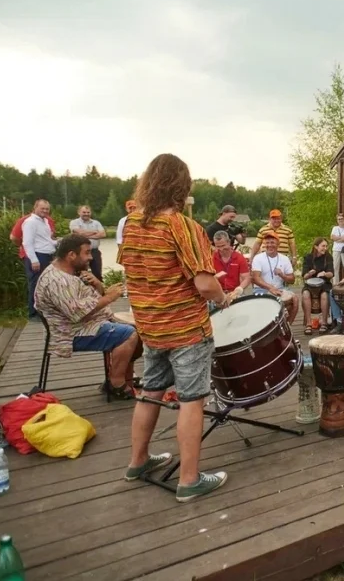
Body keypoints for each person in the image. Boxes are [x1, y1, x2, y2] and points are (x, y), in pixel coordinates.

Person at [118, 153, 230, 502]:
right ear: (181, 187)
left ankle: (138, 462)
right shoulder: (183, 227)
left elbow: (134, 274)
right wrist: (223, 298)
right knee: (191, 400)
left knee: (150, 391)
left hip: (151, 328)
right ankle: (189, 480)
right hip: (186, 331)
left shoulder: (131, 224)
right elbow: (205, 285)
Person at [34, 234, 140, 399]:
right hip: (70, 334)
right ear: (71, 255)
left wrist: (97, 284)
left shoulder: (71, 272)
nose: (91, 257)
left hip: (86, 324)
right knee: (129, 334)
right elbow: (77, 313)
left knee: (135, 330)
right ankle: (116, 383)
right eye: (87, 252)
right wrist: (109, 297)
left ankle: (125, 378)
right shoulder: (57, 281)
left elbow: (90, 299)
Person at [10, 201, 56, 319]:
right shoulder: (30, 222)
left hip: (47, 255)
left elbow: (47, 240)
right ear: (35, 208)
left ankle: (44, 311)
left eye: (47, 209)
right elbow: (27, 243)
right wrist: (34, 260)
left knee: (45, 284)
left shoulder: (45, 221)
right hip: (37, 256)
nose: (45, 211)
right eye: (42, 208)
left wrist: (59, 242)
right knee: (35, 285)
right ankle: (34, 314)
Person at [251, 233, 298, 323]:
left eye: (272, 242)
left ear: (278, 244)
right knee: (274, 301)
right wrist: (270, 288)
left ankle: (288, 326)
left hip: (280, 288)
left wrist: (282, 275)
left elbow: (292, 280)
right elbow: (256, 278)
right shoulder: (258, 258)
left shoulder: (285, 259)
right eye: (267, 243)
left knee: (295, 299)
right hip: (262, 289)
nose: (269, 245)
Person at [301, 237, 335, 334]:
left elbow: (331, 274)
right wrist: (310, 273)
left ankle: (324, 323)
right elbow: (304, 276)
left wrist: (325, 273)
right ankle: (308, 324)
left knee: (324, 295)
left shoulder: (328, 257)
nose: (325, 248)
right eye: (323, 246)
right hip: (310, 284)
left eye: (326, 246)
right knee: (305, 294)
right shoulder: (308, 257)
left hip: (324, 283)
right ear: (316, 247)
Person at [69, 205, 106, 281]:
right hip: (79, 252)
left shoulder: (96, 223)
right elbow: (79, 232)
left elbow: (103, 234)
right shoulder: (74, 222)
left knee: (97, 273)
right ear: (79, 212)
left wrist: (84, 235)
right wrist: (95, 232)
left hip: (94, 252)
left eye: (88, 212)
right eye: (84, 212)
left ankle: (98, 287)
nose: (86, 214)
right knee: (80, 273)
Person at [211, 230, 251, 300]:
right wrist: (213, 278)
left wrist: (239, 289)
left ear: (229, 242)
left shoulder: (239, 258)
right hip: (217, 293)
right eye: (218, 246)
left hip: (234, 292)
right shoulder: (211, 257)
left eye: (223, 245)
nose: (221, 249)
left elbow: (246, 278)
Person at [330, 213, 344, 283]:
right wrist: (342, 238)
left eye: (341, 219)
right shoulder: (335, 228)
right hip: (336, 249)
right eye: (339, 219)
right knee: (335, 267)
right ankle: (335, 284)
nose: (340, 220)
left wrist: (337, 239)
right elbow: (332, 237)